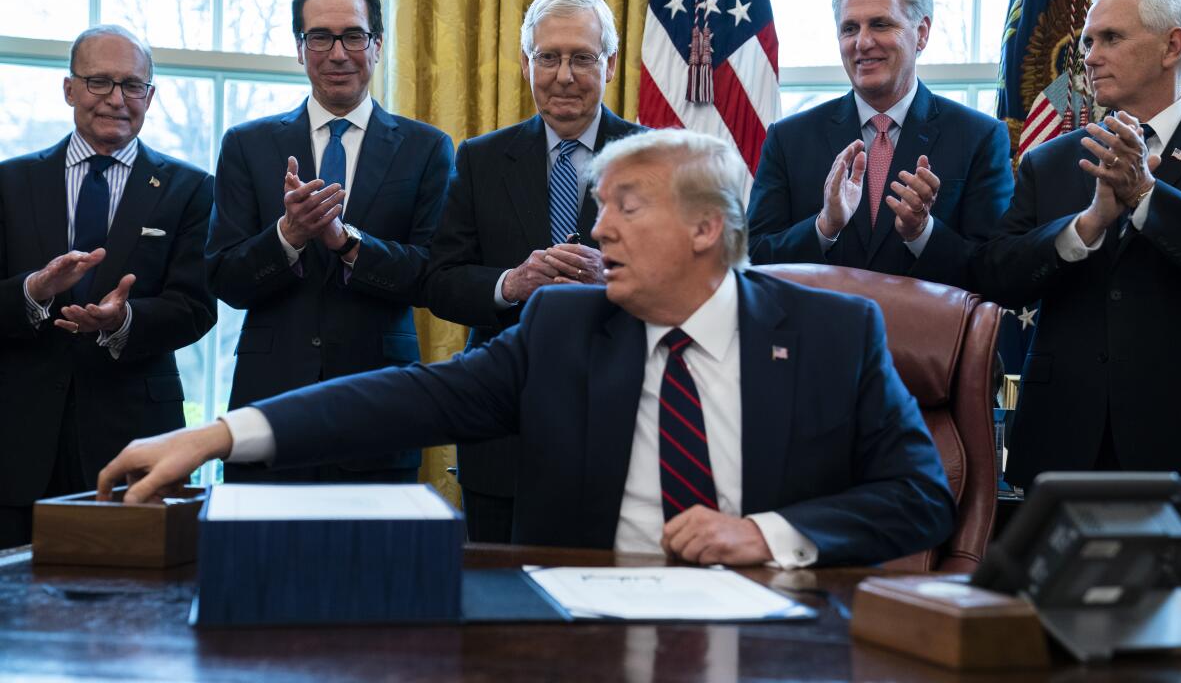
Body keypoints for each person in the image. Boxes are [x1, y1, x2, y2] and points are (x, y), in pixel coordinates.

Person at [101, 129, 954, 568]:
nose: (597, 228)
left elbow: (919, 500)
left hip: (771, 635)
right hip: (580, 637)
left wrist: (765, 536)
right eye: (600, 205)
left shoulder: (834, 335)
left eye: (627, 206)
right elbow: (406, 396)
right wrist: (214, 436)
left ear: (705, 228)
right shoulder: (564, 326)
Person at [206, 0, 453, 484]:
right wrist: (288, 237)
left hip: (380, 399)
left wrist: (347, 243)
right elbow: (225, 279)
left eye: (353, 36)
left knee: (374, 561)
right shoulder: (247, 145)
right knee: (262, 560)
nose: (338, 52)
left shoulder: (426, 148)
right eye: (319, 37)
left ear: (377, 45)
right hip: (270, 399)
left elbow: (432, 276)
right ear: (300, 49)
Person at [422, 0, 643, 541]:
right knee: (498, 604)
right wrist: (510, 283)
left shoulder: (655, 158)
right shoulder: (479, 159)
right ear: (526, 65)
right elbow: (441, 280)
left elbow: (693, 286)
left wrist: (613, 278)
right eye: (549, 57)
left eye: (582, 58)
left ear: (611, 65)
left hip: (620, 424)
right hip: (504, 424)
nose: (564, 75)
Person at [973, 0, 1181, 488]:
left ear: (1172, 46)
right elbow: (996, 275)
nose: (1090, 57)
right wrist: (1086, 225)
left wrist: (1146, 196)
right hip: (1062, 439)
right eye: (1087, 42)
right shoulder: (1051, 160)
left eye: (1111, 39)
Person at [0, 26, 216, 548]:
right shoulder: (10, 183)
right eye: (99, 82)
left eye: (132, 85)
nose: (117, 99)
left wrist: (124, 321)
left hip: (135, 433)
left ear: (150, 96)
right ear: (70, 89)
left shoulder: (191, 189)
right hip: (17, 438)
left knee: (129, 607)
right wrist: (34, 290)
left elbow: (196, 307)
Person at [746, 0, 1012, 289]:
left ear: (922, 33)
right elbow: (752, 259)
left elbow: (995, 273)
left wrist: (922, 233)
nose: (862, 42)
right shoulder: (789, 139)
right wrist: (824, 227)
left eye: (881, 25)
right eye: (849, 28)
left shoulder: (979, 138)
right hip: (816, 338)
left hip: (925, 338)